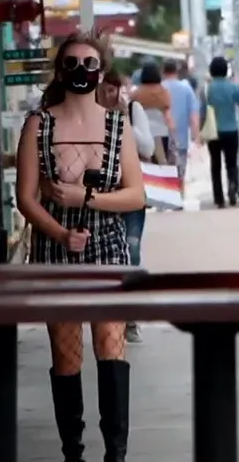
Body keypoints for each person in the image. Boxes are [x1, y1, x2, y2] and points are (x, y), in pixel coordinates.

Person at [16, 33, 145, 462]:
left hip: (107, 241)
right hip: (56, 247)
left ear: (102, 70)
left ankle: (116, 454)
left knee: (110, 344)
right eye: (71, 63)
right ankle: (73, 452)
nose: (81, 72)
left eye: (89, 63)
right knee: (66, 353)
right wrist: (59, 232)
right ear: (59, 70)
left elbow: (136, 195)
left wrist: (85, 199)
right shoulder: (39, 125)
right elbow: (26, 198)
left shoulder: (117, 125)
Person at [99, 70, 153, 344]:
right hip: (102, 194)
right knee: (107, 252)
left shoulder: (133, 109)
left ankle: (130, 317)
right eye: (106, 90)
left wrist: (123, 118)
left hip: (130, 193)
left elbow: (147, 147)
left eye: (115, 90)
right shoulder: (91, 113)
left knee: (131, 249)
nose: (110, 95)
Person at [203, 56, 239, 208]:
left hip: (213, 131)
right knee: (231, 163)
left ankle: (219, 198)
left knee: (215, 165)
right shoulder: (233, 87)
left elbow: (202, 110)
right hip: (231, 129)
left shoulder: (207, 88)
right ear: (226, 70)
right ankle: (233, 185)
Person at [161, 60, 201, 188]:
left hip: (161, 137)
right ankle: (178, 196)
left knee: (163, 170)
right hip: (181, 137)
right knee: (180, 170)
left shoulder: (159, 88)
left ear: (163, 71)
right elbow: (194, 115)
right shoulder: (186, 88)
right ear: (176, 71)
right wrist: (196, 135)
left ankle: (167, 197)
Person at [131, 63, 171, 163]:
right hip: (161, 134)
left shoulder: (137, 93)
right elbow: (167, 113)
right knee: (162, 161)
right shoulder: (164, 92)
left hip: (142, 132)